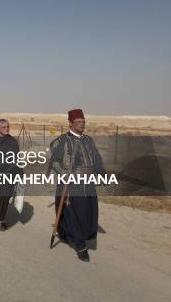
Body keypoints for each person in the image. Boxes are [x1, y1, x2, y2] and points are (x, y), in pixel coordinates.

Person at [47, 109, 105, 262]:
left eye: (83, 122)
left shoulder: (88, 140)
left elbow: (97, 159)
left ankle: (71, 235)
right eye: (78, 122)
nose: (82, 124)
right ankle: (80, 246)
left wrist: (101, 172)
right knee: (75, 213)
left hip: (88, 182)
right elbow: (54, 162)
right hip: (71, 183)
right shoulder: (61, 141)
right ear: (70, 124)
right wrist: (65, 174)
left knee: (89, 211)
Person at [0, 119, 22, 231]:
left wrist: (19, 172)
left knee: (5, 198)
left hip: (9, 174)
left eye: (8, 127)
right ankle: (0, 220)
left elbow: (17, 158)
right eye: (4, 127)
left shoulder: (13, 141)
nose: (7, 129)